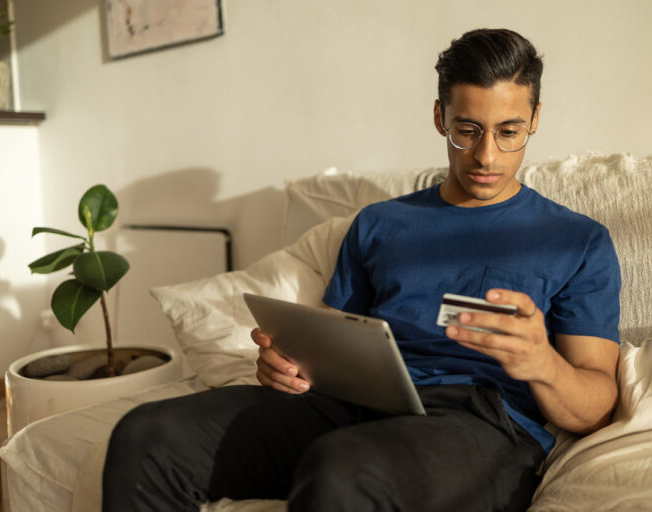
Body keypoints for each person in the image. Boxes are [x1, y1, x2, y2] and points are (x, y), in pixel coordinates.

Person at [102, 28, 621, 512]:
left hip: (479, 423)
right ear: (440, 116)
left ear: (534, 119)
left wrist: (541, 364)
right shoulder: (379, 223)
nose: (487, 154)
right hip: (353, 403)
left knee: (344, 469)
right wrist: (287, 366)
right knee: (146, 435)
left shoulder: (576, 240)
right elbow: (332, 341)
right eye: (468, 130)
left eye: (509, 131)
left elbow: (597, 406)